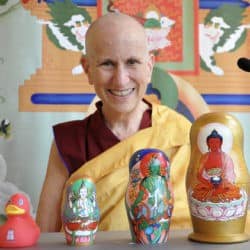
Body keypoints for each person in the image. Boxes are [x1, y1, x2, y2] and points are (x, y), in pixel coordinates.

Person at [36, 12, 192, 232]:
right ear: (87, 69)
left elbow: (201, 222)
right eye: (107, 64)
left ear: (149, 66)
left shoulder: (181, 133)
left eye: (132, 62)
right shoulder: (69, 142)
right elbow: (45, 236)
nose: (120, 79)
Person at [191, 129, 241, 203]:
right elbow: (199, 175)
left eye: (217, 142)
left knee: (234, 191)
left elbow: (230, 175)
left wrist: (222, 182)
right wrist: (208, 182)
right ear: (208, 144)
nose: (214, 144)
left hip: (223, 184)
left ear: (221, 143)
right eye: (211, 142)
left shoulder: (225, 157)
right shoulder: (205, 157)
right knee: (197, 191)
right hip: (208, 184)